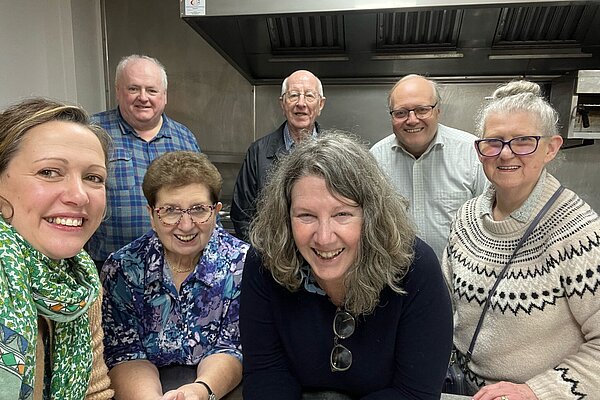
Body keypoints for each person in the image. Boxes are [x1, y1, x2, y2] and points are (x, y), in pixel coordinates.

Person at [240, 131, 453, 399]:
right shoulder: (265, 261)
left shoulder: (414, 266)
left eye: (342, 214)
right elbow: (266, 373)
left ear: (371, 216)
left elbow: (415, 393)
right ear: (285, 216)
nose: (324, 237)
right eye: (306, 216)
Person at [442, 80, 600, 399]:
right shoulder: (467, 217)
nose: (506, 153)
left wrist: (535, 391)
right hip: (461, 388)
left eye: (523, 141)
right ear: (480, 150)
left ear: (551, 148)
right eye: (494, 142)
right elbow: (445, 303)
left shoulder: (579, 232)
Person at [101, 151, 249, 400]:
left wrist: (200, 392)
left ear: (216, 211)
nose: (186, 224)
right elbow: (125, 354)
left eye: (199, 210)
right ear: (151, 214)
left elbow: (232, 347)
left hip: (220, 390)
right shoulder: (123, 269)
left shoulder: (242, 264)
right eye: (170, 211)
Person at [0, 98, 113, 399]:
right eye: (49, 172)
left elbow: (94, 392)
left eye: (93, 178)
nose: (79, 196)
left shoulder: (80, 285)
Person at [87, 54, 201, 268]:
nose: (143, 97)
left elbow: (202, 197)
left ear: (164, 96)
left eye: (151, 90)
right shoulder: (93, 133)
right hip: (108, 266)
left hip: (173, 266)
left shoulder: (184, 138)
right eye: (133, 89)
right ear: (118, 91)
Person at [370, 74, 487, 260]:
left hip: (459, 277)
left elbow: (491, 219)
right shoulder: (375, 158)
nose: (412, 120)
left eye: (422, 110)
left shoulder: (471, 152)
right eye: (401, 112)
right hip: (398, 278)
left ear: (438, 110)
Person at [231, 69, 326, 241]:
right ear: (283, 104)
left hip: (322, 253)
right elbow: (242, 216)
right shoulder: (258, 152)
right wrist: (264, 256)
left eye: (309, 96)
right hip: (270, 260)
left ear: (320, 105)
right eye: (293, 95)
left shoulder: (336, 154)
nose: (301, 103)